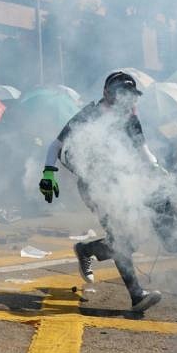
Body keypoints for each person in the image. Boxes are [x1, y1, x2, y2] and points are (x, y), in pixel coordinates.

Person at [39, 72, 164, 312]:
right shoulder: (90, 115)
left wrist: (159, 172)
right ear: (107, 93)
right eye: (122, 94)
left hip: (122, 182)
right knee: (120, 237)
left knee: (132, 237)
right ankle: (137, 296)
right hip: (94, 186)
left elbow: (144, 151)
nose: (127, 100)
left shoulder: (130, 119)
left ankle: (86, 250)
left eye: (130, 95)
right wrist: (48, 173)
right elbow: (55, 145)